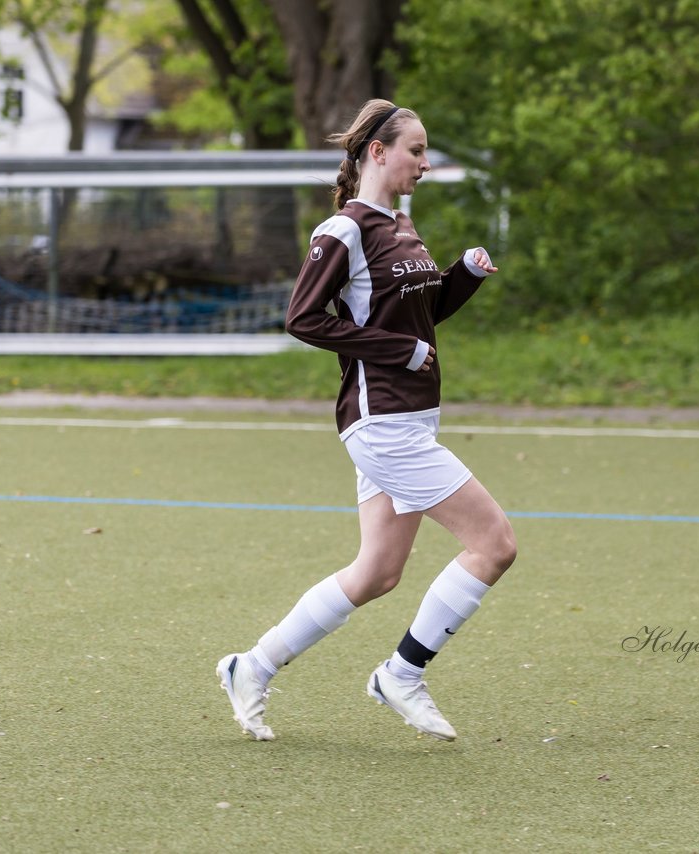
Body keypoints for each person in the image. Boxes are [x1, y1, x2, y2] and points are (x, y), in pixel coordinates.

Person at [216, 99, 517, 742]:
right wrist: (396, 351)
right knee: (494, 545)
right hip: (383, 423)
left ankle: (252, 666)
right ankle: (401, 675)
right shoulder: (342, 230)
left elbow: (420, 315)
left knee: (377, 572)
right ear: (376, 153)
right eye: (415, 149)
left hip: (412, 420)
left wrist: (462, 276)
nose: (426, 163)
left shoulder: (403, 228)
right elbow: (303, 318)